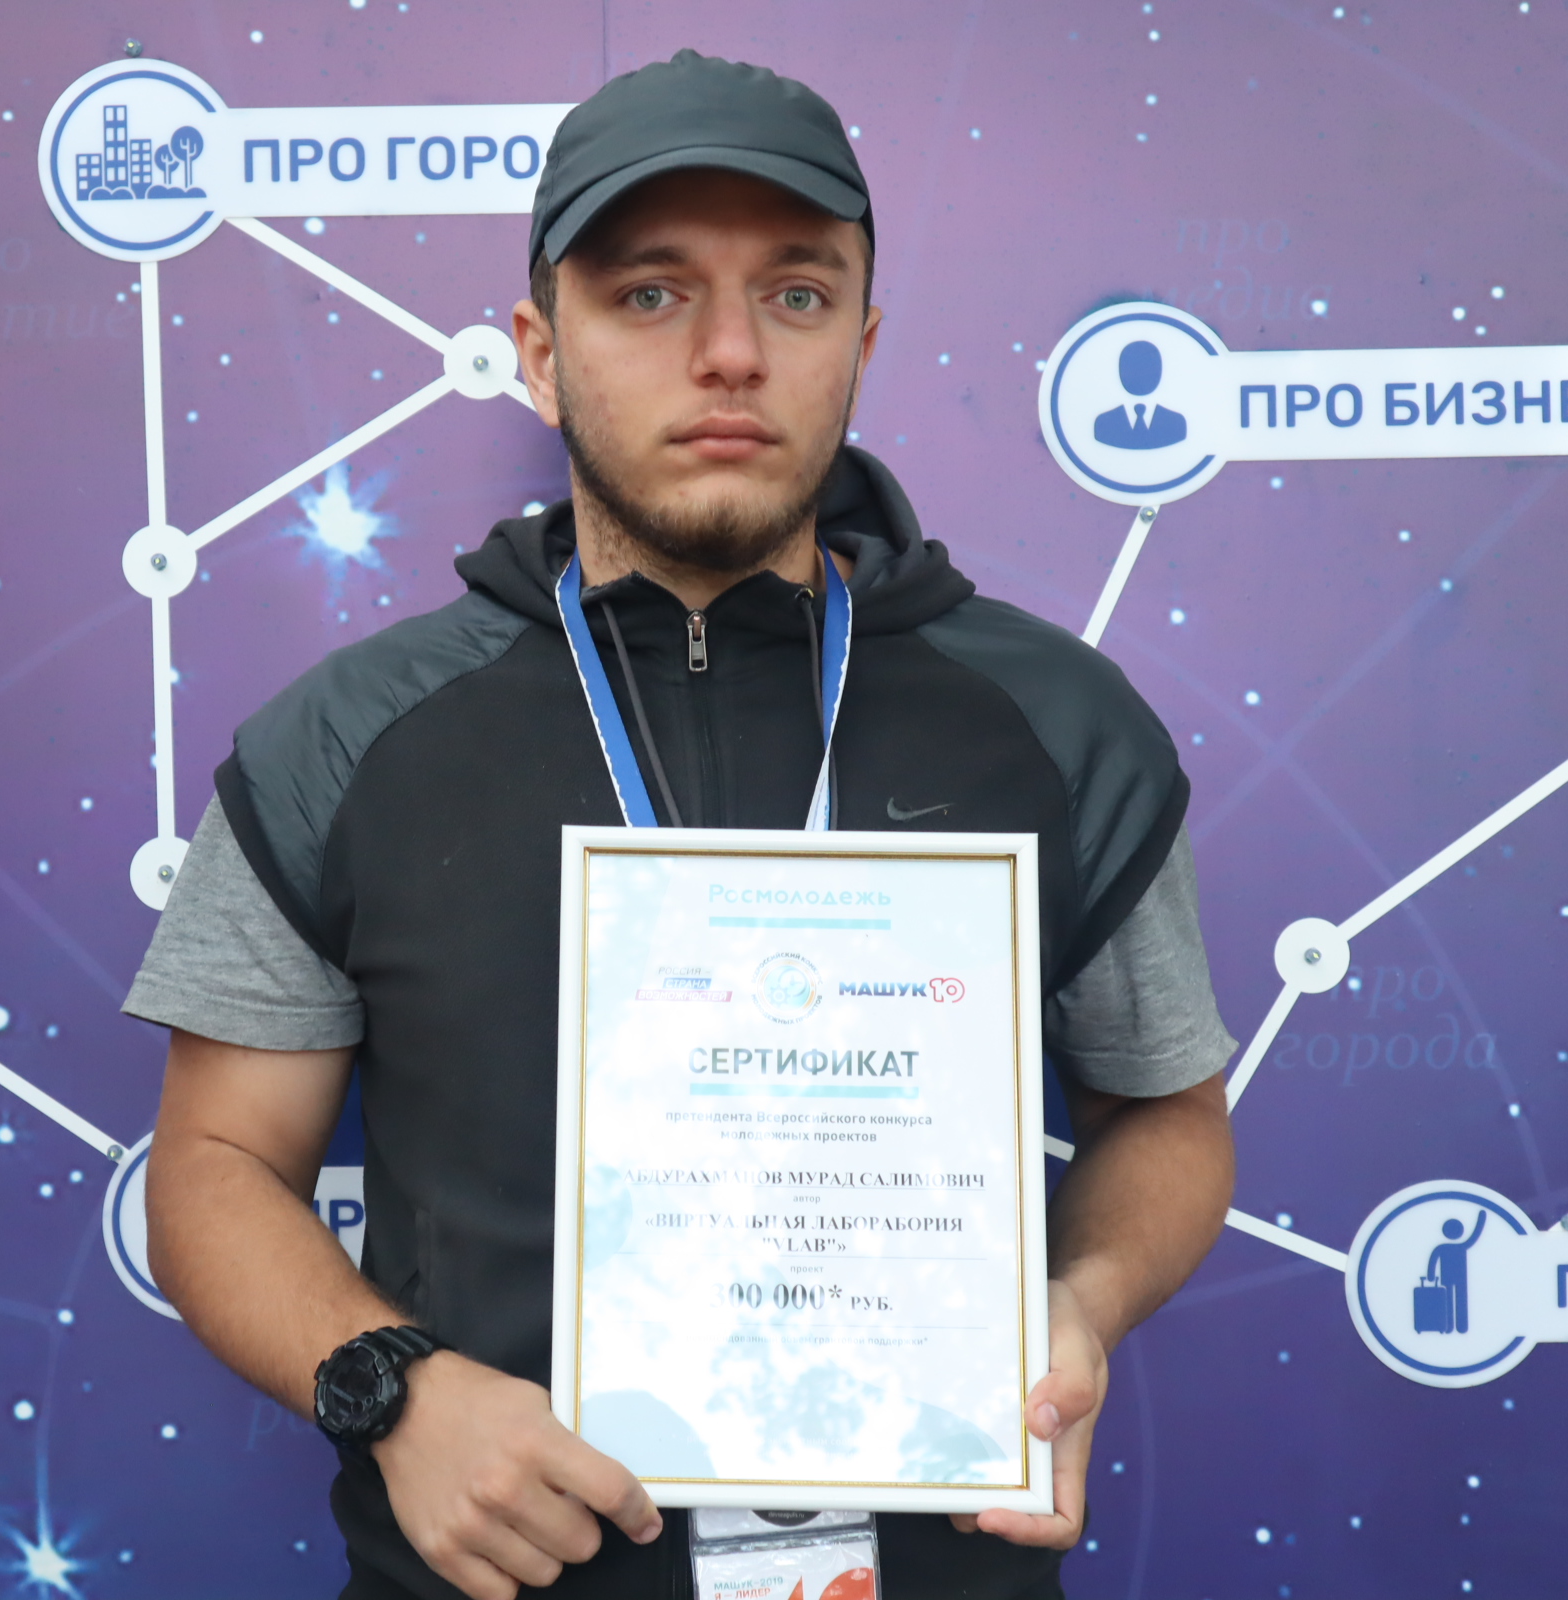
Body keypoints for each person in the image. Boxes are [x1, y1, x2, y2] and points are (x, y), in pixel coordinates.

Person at [124, 48, 1238, 1600]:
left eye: (796, 294)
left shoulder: (1057, 726)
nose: (729, 353)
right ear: (537, 350)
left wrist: (1085, 1301)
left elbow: (1169, 1115)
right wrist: (394, 1391)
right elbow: (213, 1162)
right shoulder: (349, 741)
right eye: (649, 294)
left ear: (863, 342)